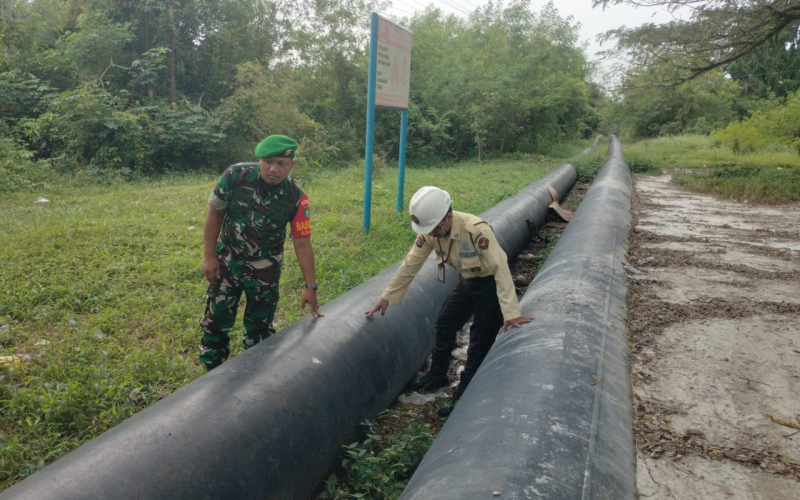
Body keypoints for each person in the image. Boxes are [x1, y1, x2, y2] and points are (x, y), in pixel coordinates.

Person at [365, 186, 532, 416]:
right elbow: (411, 264)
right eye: (429, 230)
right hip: (467, 281)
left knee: (479, 340)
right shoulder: (431, 232)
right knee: (445, 322)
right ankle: (437, 376)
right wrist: (387, 296)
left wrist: (511, 313)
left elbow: (500, 268)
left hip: (490, 285)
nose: (432, 234)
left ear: (448, 217)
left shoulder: (475, 230)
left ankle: (465, 393)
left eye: (435, 228)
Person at [199, 134, 323, 371]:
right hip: (227, 260)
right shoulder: (236, 175)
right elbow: (214, 215)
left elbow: (302, 243)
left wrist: (310, 286)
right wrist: (209, 256)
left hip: (265, 268)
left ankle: (255, 377)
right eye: (267, 162)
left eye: (281, 164)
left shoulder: (296, 198)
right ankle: (211, 373)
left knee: (260, 327)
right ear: (259, 160)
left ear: (292, 165)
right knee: (216, 321)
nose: (273, 169)